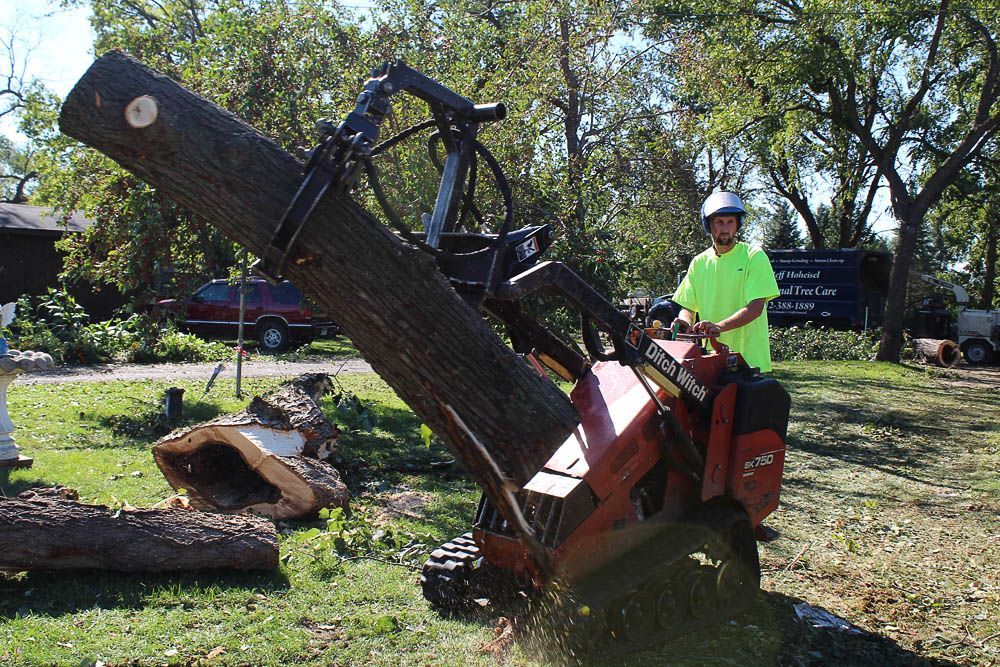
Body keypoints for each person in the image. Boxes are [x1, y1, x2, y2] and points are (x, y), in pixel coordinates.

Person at [671, 191, 780, 372]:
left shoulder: (753, 257)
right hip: (711, 361)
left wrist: (718, 327)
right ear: (709, 225)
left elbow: (755, 307)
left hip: (749, 362)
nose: (725, 228)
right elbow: (688, 306)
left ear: (737, 225)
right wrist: (684, 321)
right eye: (719, 222)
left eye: (730, 222)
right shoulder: (699, 262)